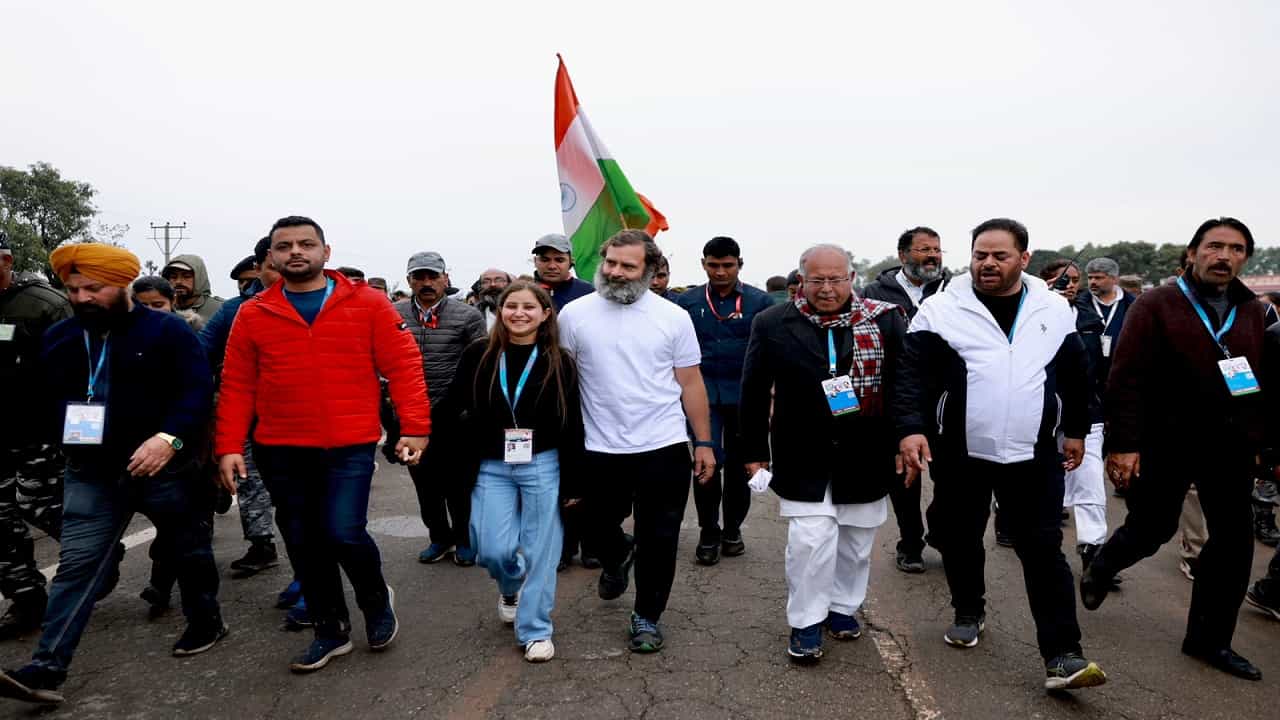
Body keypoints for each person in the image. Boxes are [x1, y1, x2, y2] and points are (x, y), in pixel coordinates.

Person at [0, 244, 225, 706]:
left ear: (122, 285)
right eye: (73, 289)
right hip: (92, 474)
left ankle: (206, 621)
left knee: (187, 553)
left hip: (165, 468)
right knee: (77, 567)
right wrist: (61, 436)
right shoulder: (61, 337)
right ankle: (47, 669)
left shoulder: (167, 331)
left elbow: (196, 393)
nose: (82, 297)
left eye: (94, 288)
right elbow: (41, 400)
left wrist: (169, 440)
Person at [894, 218, 1106, 691]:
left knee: (1043, 549)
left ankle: (1063, 654)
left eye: (999, 256)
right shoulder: (942, 308)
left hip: (1034, 453)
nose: (987, 263)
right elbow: (912, 376)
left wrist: (1076, 429)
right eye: (980, 255)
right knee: (960, 537)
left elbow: (1077, 373)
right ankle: (968, 610)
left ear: (1023, 259)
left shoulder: (1053, 308)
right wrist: (910, 429)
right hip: (961, 451)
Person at [216, 216, 430, 674]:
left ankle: (376, 601)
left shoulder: (367, 302)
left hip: (349, 444)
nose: (296, 251)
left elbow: (404, 365)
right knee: (303, 540)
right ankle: (330, 629)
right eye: (285, 246)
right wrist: (228, 445)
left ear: (325, 252)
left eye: (306, 244)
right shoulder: (253, 313)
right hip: (281, 447)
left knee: (343, 531)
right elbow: (237, 384)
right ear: (271, 257)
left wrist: (415, 427)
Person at [1081, 217, 1266, 682]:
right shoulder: (1156, 304)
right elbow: (1126, 376)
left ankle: (1209, 640)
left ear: (1245, 258)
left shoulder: (1252, 310)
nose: (1224, 256)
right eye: (1215, 246)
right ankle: (1103, 564)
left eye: (1236, 249)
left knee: (1234, 543)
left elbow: (1257, 381)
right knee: (1152, 528)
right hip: (1165, 441)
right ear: (1192, 253)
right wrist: (1124, 445)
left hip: (1229, 445)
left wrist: (1262, 442)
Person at [741, 243, 907, 663]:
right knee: (809, 542)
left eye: (836, 279)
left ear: (852, 278)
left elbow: (902, 384)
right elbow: (754, 388)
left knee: (855, 542)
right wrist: (754, 449)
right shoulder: (773, 322)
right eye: (817, 280)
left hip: (866, 449)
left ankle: (842, 608)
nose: (827, 288)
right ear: (802, 281)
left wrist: (906, 438)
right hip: (802, 449)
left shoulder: (884, 320)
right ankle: (806, 622)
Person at [559, 229, 716, 654]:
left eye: (628, 266)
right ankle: (616, 555)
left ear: (649, 270)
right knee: (592, 525)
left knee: (660, 538)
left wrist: (704, 442)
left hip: (662, 446)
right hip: (596, 447)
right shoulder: (573, 315)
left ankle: (647, 616)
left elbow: (690, 382)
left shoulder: (673, 317)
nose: (615, 271)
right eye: (610, 262)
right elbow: (563, 381)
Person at [451, 281, 585, 663]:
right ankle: (510, 585)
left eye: (529, 307)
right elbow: (454, 404)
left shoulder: (560, 360)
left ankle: (536, 630)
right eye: (512, 306)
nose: (519, 313)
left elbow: (572, 423)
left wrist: (574, 482)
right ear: (500, 311)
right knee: (491, 550)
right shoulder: (478, 354)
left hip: (542, 463)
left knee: (542, 552)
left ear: (545, 314)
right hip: (492, 465)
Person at [676, 237, 774, 565]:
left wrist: (771, 396)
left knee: (739, 467)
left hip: (746, 397)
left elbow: (771, 352)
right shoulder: (686, 303)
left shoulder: (760, 302)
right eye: (713, 265)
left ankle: (732, 530)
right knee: (706, 462)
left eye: (727, 265)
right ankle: (708, 531)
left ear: (739, 265)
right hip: (701, 397)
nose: (720, 272)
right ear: (703, 264)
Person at [862, 226, 949, 573]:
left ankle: (939, 529)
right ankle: (910, 544)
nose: (932, 256)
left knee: (951, 477)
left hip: (944, 401)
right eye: (924, 249)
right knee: (904, 478)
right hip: (895, 401)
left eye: (937, 250)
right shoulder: (874, 293)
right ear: (903, 255)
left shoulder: (954, 291)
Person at [0, 231, 72, 640]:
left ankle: (94, 551)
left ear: (7, 261)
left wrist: (81, 435)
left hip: (40, 432)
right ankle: (26, 600)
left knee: (38, 504)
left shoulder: (45, 305)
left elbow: (81, 372)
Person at [198, 238, 283, 582]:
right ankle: (262, 544)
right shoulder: (234, 310)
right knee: (249, 482)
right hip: (247, 414)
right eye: (272, 266)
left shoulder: (322, 305)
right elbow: (200, 353)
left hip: (300, 418)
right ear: (260, 268)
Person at [394, 251, 486, 565]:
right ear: (409, 281)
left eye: (433, 276)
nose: (427, 283)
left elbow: (480, 365)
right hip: (410, 416)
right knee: (425, 484)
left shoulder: (467, 316)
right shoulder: (393, 313)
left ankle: (464, 539)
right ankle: (439, 538)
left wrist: (467, 409)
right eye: (419, 277)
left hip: (455, 415)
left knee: (460, 484)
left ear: (445, 279)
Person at [1040, 260, 1112, 577]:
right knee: (1040, 481)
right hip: (1040, 413)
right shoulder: (1029, 313)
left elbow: (1101, 367)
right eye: (1061, 280)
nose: (1069, 285)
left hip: (1085, 412)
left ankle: (1092, 548)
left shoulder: (1089, 318)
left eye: (1073, 280)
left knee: (1090, 478)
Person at [533, 233, 594, 311]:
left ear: (571, 262)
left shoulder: (588, 293)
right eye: (545, 260)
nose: (552, 266)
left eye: (559, 260)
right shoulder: (522, 292)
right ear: (535, 261)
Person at [161, 254, 223, 323]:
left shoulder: (221, 309)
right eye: (173, 277)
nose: (178, 281)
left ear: (200, 279)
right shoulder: (161, 309)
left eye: (186, 276)